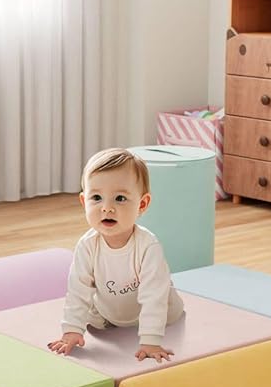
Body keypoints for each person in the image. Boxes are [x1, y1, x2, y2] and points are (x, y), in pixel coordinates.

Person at [48, 147, 184, 363]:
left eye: (120, 198)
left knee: (165, 304)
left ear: (142, 204)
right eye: (96, 198)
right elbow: (78, 290)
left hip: (162, 312)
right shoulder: (87, 246)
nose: (107, 208)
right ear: (84, 202)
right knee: (92, 315)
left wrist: (150, 340)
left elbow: (154, 297)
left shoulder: (148, 246)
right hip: (109, 313)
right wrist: (72, 329)